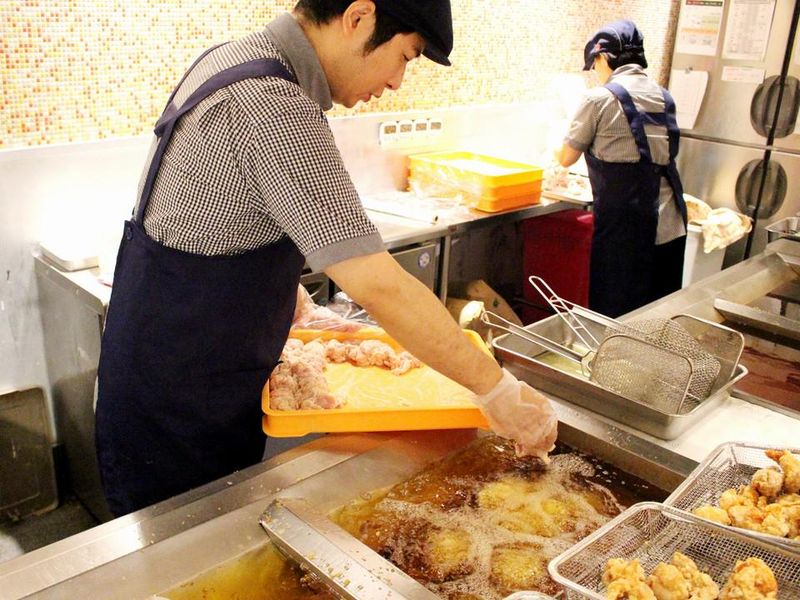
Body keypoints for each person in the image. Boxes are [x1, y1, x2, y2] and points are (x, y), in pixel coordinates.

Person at [96, 0, 557, 517]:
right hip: (181, 412)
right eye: (405, 56)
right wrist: (496, 390)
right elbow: (380, 286)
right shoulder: (274, 105)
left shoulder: (232, 59)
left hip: (167, 377)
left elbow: (219, 217)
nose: (397, 82)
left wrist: (288, 298)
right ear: (358, 17)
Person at [555, 19, 687, 318]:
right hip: (670, 222)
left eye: (595, 64)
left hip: (628, 227)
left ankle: (617, 365)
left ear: (602, 57)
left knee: (616, 316)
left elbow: (565, 157)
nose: (596, 73)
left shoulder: (598, 98)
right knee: (658, 315)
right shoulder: (664, 96)